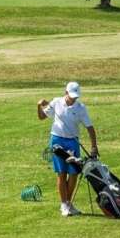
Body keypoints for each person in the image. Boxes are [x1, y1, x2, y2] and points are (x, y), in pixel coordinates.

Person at [36, 81, 99, 218]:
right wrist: (39, 105)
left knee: (74, 173)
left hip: (73, 142)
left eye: (76, 96)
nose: (74, 98)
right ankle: (64, 204)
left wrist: (94, 146)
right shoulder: (56, 102)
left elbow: (90, 128)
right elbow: (41, 117)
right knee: (62, 173)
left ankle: (68, 203)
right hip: (57, 140)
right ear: (66, 92)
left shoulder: (81, 108)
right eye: (71, 96)